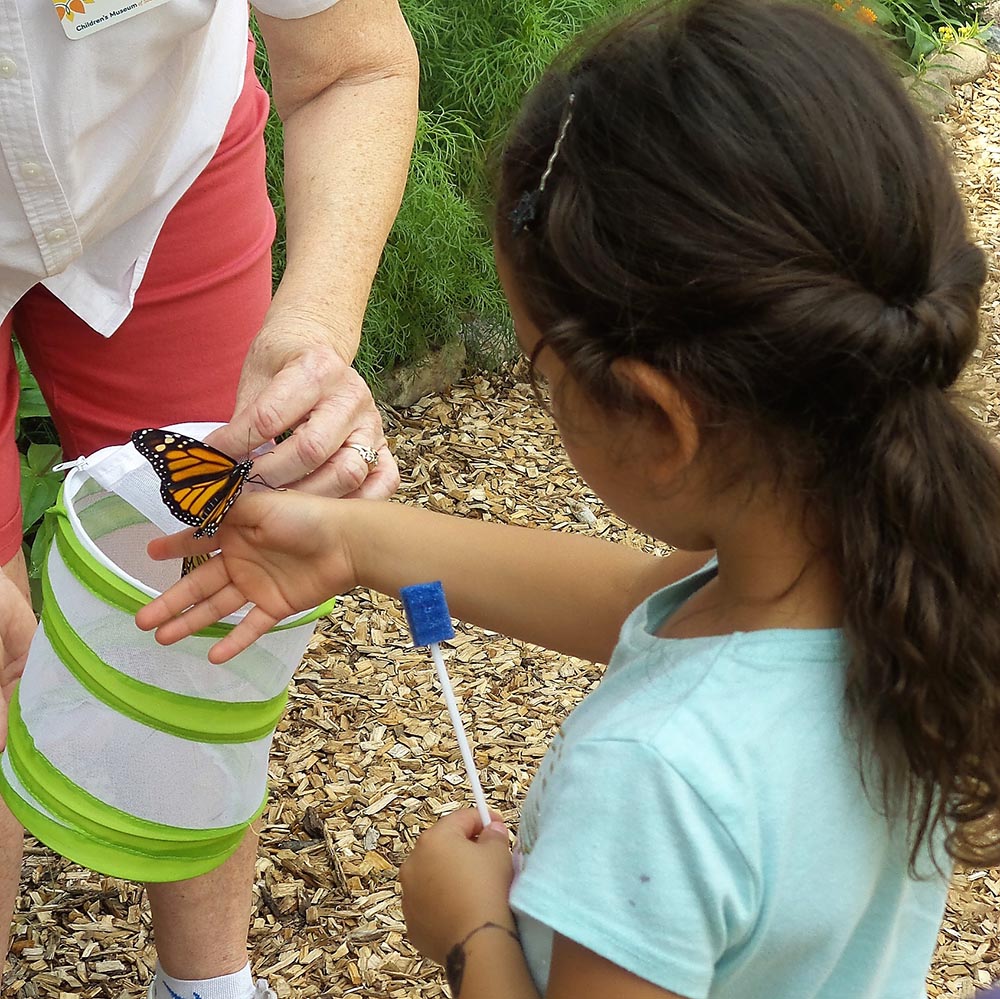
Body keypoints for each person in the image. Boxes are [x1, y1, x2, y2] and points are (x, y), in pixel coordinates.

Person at [135, 0, 1000, 995]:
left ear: (657, 420)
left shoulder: (656, 780)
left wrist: (471, 936)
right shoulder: (897, 558)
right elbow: (633, 599)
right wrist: (346, 539)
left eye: (541, 373)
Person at [0, 0, 418, 996]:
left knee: (221, 549)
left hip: (160, 168)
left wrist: (312, 328)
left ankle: (208, 983)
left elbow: (350, 65)